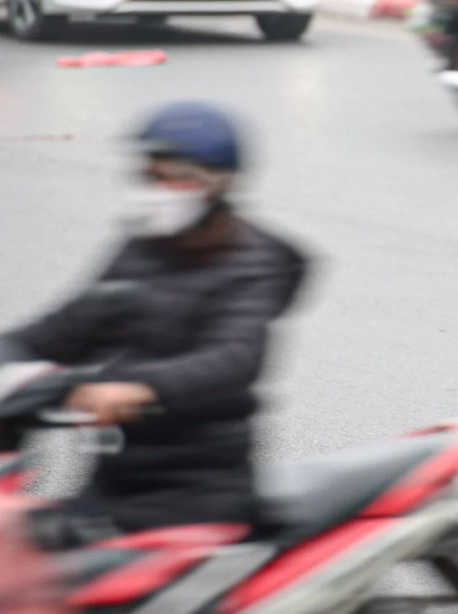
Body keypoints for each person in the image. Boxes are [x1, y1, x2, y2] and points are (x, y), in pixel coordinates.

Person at [0, 101, 307, 548]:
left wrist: (137, 388)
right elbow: (60, 329)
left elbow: (233, 358)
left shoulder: (253, 262)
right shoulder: (143, 249)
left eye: (170, 178)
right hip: (118, 479)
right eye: (149, 177)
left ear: (213, 186)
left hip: (195, 495)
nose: (155, 190)